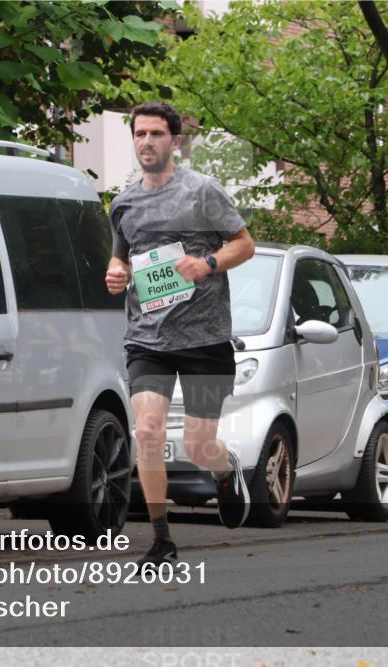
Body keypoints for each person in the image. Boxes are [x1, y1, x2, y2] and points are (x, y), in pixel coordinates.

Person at [105, 101, 257, 570]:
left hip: (205, 339)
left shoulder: (203, 193)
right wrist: (115, 271)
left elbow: (245, 244)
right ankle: (161, 539)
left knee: (197, 444)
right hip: (147, 338)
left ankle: (225, 473)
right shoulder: (123, 203)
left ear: (174, 140)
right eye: (139, 134)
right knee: (147, 432)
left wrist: (207, 263)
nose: (146, 141)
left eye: (155, 133)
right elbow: (122, 258)